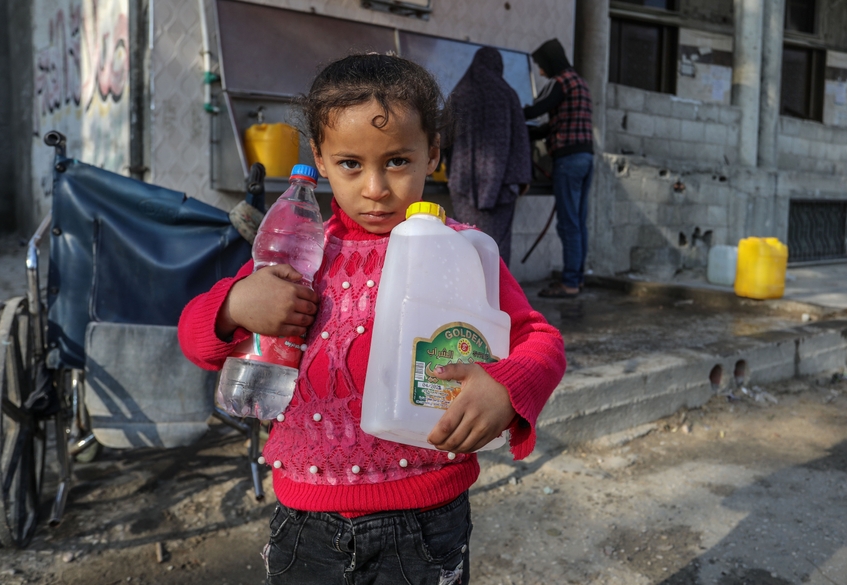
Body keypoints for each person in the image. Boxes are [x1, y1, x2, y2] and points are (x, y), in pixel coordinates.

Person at [177, 54, 565, 585]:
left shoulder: (462, 253)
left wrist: (506, 387)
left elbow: (539, 340)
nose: (376, 188)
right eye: (351, 164)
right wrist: (233, 305)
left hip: (426, 524)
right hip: (305, 524)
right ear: (319, 157)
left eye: (398, 161)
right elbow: (196, 339)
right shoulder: (299, 253)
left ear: (433, 154)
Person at [445, 46, 531, 265]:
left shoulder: (460, 94)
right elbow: (521, 140)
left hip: (464, 185)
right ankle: (500, 296)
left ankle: (468, 294)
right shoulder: (508, 94)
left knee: (468, 241)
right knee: (497, 246)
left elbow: (443, 136)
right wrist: (522, 179)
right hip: (502, 187)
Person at [523, 38, 593, 298]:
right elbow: (556, 123)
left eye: (541, 66)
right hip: (586, 158)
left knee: (568, 224)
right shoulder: (581, 83)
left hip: (569, 161)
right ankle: (579, 277)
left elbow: (536, 111)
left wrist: (510, 114)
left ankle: (570, 283)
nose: (541, 72)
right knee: (579, 222)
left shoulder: (561, 83)